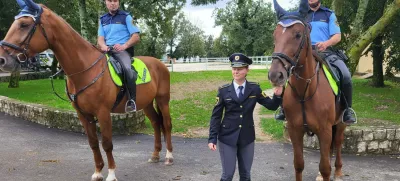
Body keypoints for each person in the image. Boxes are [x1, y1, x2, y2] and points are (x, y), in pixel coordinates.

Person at [275, 0, 357, 125]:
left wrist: (326, 43)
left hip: (325, 52)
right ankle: (283, 108)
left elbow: (337, 36)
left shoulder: (328, 14)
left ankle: (347, 110)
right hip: (303, 53)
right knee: (285, 72)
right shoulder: (301, 15)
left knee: (345, 75)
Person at [208, 53, 283, 181]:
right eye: (234, 69)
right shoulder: (223, 91)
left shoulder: (254, 89)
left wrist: (277, 95)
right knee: (227, 175)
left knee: (246, 175)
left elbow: (271, 106)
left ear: (247, 70)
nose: (236, 72)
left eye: (240, 69)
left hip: (247, 137)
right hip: (227, 137)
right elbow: (216, 116)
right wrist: (212, 138)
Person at [97, 0, 140, 112]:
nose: (113, 3)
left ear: (119, 3)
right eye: (110, 1)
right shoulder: (102, 19)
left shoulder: (127, 17)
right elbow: (100, 39)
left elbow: (136, 37)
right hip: (107, 50)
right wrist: (103, 46)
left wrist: (124, 46)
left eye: (115, 0)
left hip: (123, 51)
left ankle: (132, 101)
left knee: (126, 68)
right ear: (106, 3)